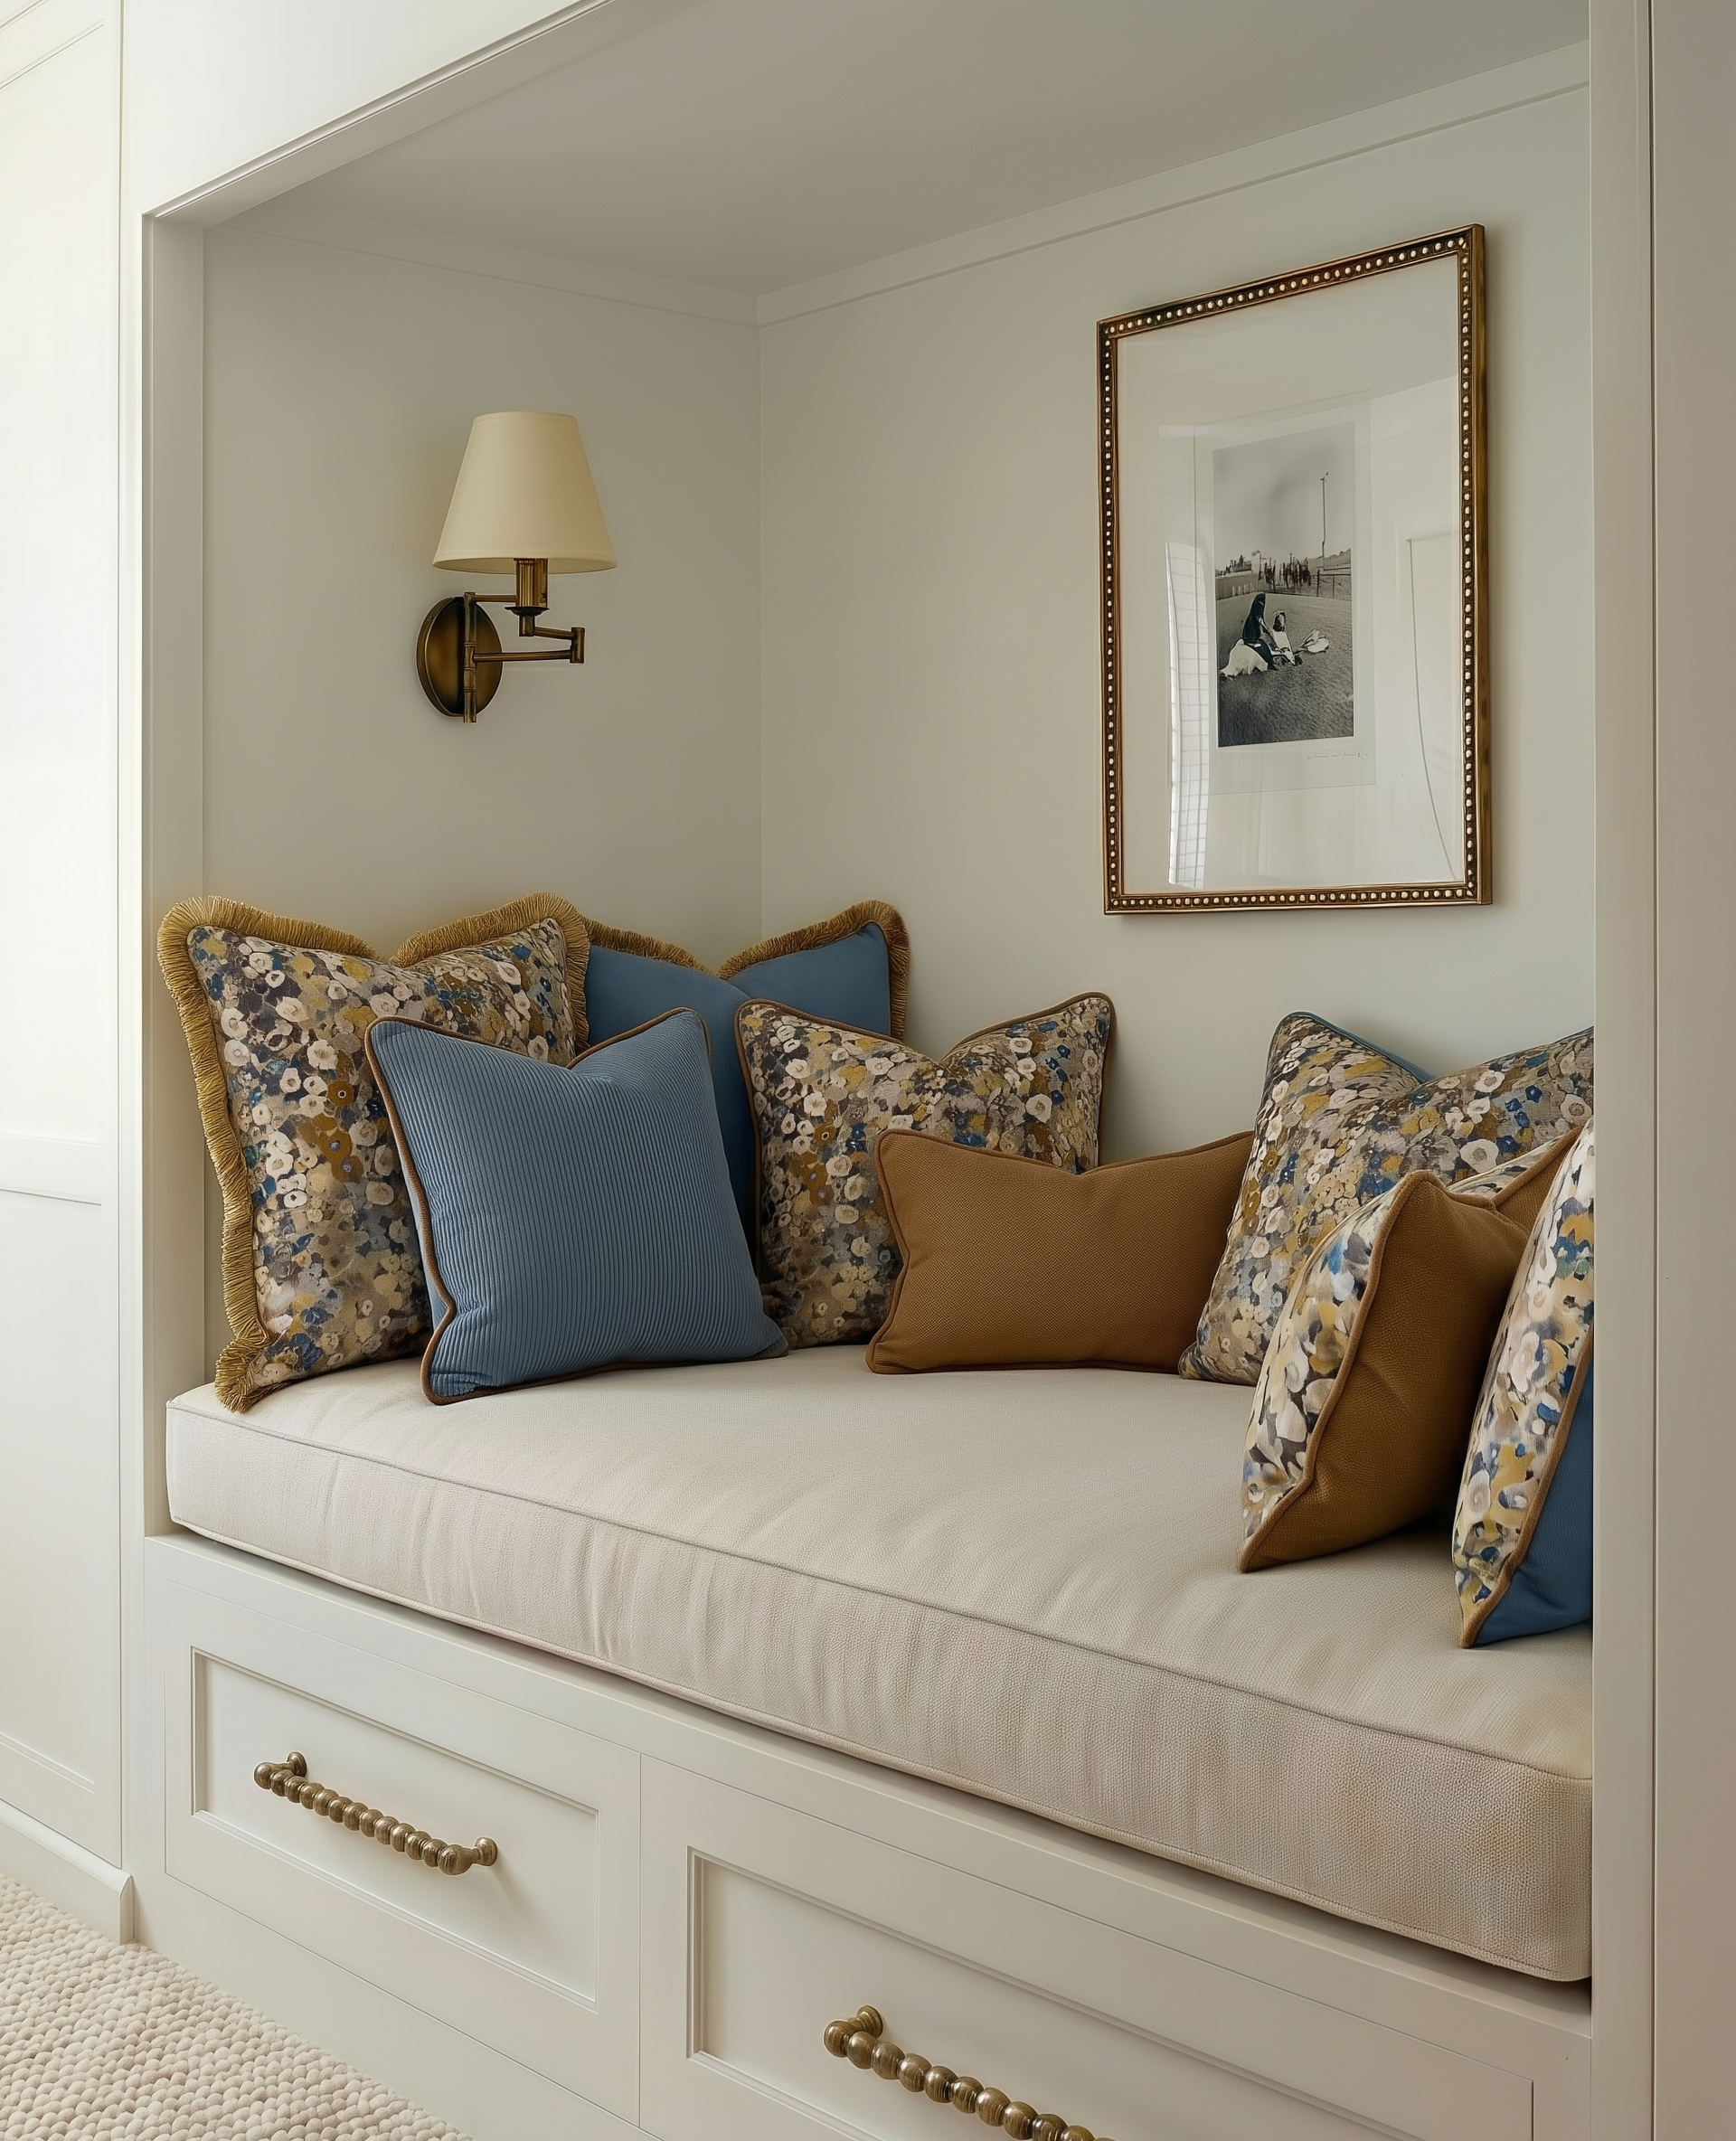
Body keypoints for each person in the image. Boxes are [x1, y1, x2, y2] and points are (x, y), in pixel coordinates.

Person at [1222, 590, 1270, 676]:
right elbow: (1261, 622)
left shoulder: (1251, 617)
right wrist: (1267, 630)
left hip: (1250, 640)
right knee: (1264, 651)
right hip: (1251, 642)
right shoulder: (1255, 617)